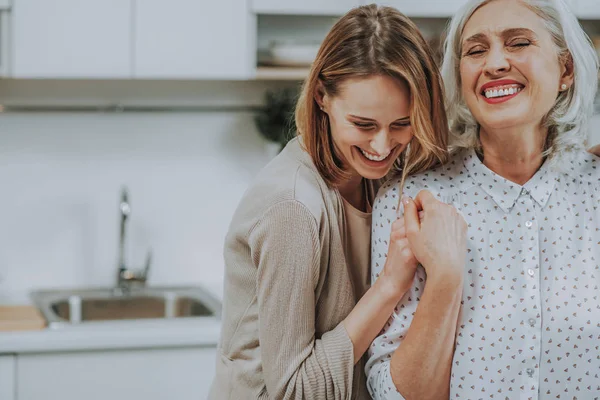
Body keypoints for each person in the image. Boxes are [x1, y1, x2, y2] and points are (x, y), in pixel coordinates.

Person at [208, 4, 450, 399]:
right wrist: (390, 284)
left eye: (401, 124)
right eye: (364, 125)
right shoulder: (293, 209)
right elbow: (294, 392)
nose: (382, 145)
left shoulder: (374, 177)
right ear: (322, 96)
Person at [367, 0, 600, 398]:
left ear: (566, 70)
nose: (494, 64)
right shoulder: (413, 203)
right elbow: (393, 394)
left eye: (518, 43)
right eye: (476, 50)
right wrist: (444, 278)